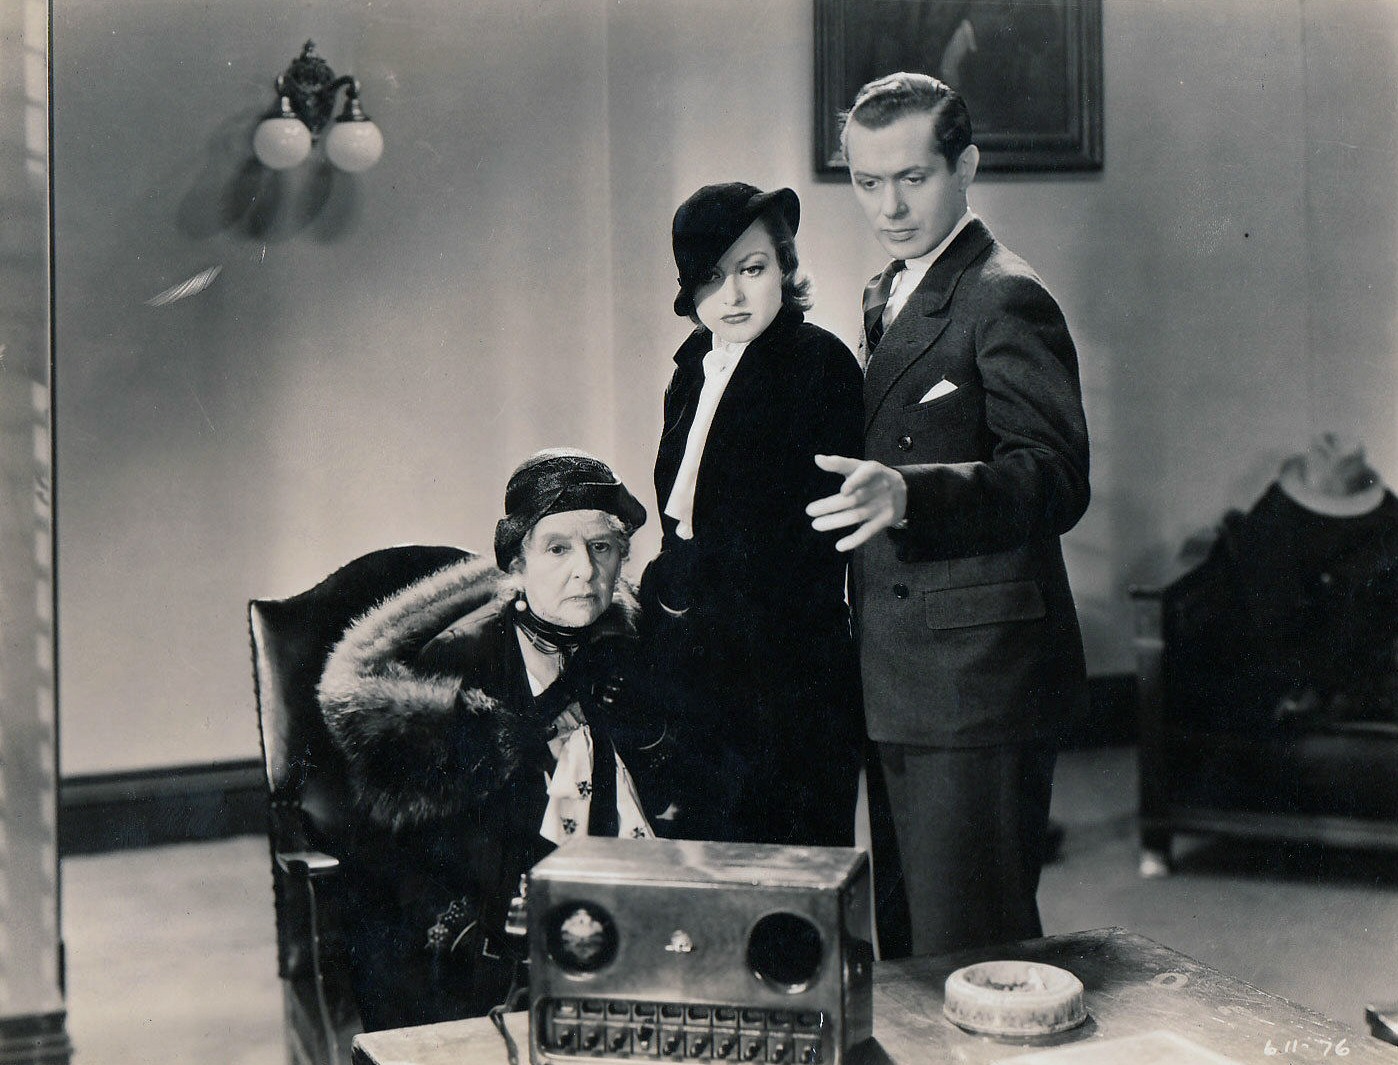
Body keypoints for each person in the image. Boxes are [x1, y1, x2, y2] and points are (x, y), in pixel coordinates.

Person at [807, 72, 1091, 957]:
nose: (889, 206)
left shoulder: (1003, 292)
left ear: (965, 166)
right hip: (904, 678)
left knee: (975, 949)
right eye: (866, 182)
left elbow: (1053, 476)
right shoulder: (891, 287)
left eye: (913, 178)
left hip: (976, 682)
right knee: (916, 950)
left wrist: (912, 492)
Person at [316, 448, 668, 1029]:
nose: (584, 570)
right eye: (558, 548)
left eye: (601, 547)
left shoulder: (634, 650)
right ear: (518, 564)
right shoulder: (459, 661)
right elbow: (416, 861)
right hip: (485, 933)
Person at [639, 182, 866, 848]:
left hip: (786, 671)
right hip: (700, 667)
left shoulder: (818, 364)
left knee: (790, 868)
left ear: (786, 268)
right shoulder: (692, 369)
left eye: (753, 269)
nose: (733, 296)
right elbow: (679, 513)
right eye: (712, 277)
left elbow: (806, 538)